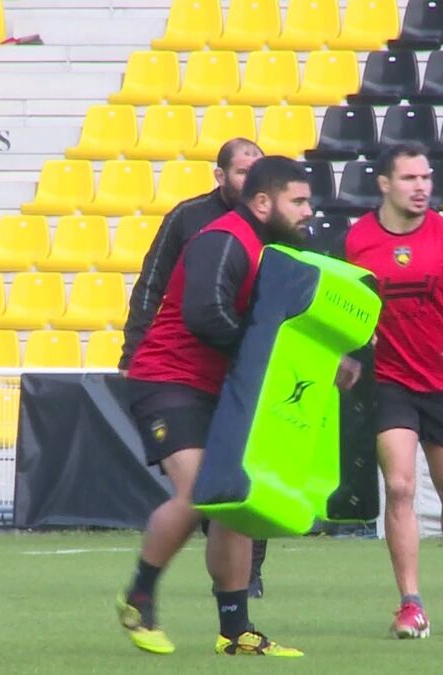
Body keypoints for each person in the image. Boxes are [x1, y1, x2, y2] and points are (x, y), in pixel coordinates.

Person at [117, 156, 352, 657]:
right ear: (263, 203)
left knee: (233, 503)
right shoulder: (224, 238)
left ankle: (236, 632)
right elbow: (207, 316)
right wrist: (269, 364)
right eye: (299, 201)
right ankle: (138, 599)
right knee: (202, 492)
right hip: (168, 380)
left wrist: (328, 360)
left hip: (217, 387)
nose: (310, 210)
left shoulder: (273, 247)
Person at [338, 143, 443, 638]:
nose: (421, 187)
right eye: (410, 178)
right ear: (385, 184)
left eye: (426, 178)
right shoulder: (357, 240)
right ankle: (410, 603)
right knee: (402, 486)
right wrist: (345, 355)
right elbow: (340, 307)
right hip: (390, 382)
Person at [118, 138, 274, 597]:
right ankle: (148, 592)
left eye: (258, 172)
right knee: (209, 491)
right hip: (181, 373)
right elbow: (153, 282)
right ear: (220, 175)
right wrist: (134, 349)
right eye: (243, 171)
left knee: (239, 489)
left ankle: (245, 587)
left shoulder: (270, 228)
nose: (250, 181)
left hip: (234, 374)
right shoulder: (191, 219)